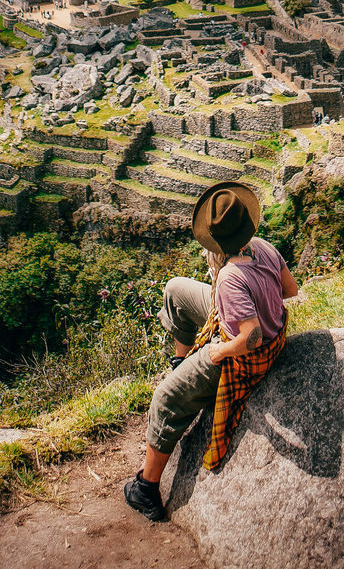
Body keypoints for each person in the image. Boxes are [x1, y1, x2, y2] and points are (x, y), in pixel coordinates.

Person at [124, 181, 299, 522]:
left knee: (164, 399)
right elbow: (290, 289)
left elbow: (252, 338)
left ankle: (146, 490)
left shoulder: (230, 277)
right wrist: (258, 299)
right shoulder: (262, 246)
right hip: (244, 316)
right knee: (176, 290)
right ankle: (181, 364)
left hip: (240, 353)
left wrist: (217, 352)